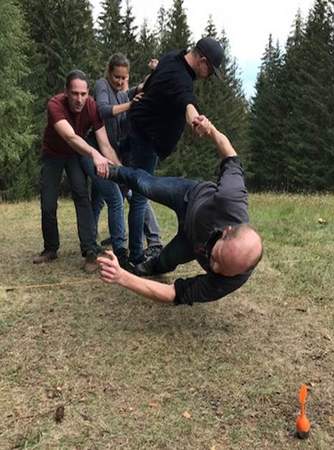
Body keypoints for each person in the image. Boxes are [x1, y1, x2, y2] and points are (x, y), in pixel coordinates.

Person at [97, 118, 263, 306]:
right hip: (189, 196)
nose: (214, 268)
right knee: (146, 185)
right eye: (217, 258)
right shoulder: (231, 200)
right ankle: (113, 171)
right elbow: (231, 157)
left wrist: (122, 277)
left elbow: (173, 293)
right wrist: (211, 130)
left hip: (190, 241)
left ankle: (146, 267)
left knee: (165, 261)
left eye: (222, 269)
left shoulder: (233, 280)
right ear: (226, 231)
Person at [126, 36, 225, 265]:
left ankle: (133, 250)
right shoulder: (182, 80)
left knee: (135, 191)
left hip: (140, 132)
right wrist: (196, 121)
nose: (209, 75)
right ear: (202, 60)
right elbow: (187, 104)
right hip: (146, 140)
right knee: (140, 196)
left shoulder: (172, 57)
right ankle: (135, 256)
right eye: (211, 70)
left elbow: (157, 75)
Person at [33, 69, 121, 273]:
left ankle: (90, 251)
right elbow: (71, 137)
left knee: (82, 196)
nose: (79, 99)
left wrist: (121, 170)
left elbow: (105, 144)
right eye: (74, 93)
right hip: (53, 154)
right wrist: (94, 155)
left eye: (83, 94)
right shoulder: (55, 104)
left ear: (88, 93)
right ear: (66, 92)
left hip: (74, 155)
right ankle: (50, 249)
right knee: (48, 202)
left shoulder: (92, 107)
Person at [86, 53, 162, 261]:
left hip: (119, 153)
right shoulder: (102, 85)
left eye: (123, 77)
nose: (119, 81)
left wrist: (155, 72)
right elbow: (101, 110)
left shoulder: (122, 93)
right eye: (116, 77)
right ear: (109, 73)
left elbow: (141, 88)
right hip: (100, 152)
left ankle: (153, 240)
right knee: (108, 197)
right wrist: (130, 105)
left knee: (125, 195)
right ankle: (96, 244)